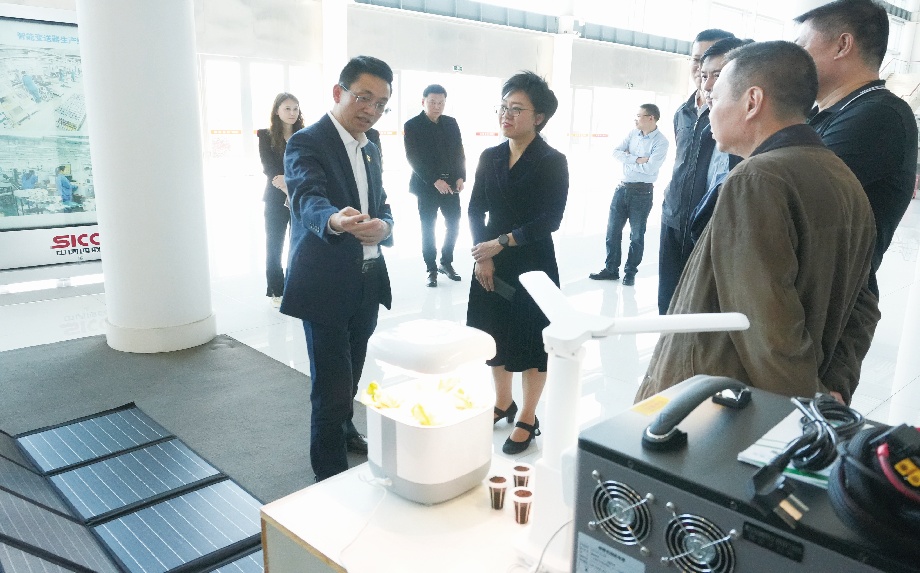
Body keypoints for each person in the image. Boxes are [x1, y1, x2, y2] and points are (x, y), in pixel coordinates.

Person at [635, 41, 880, 406]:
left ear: (752, 101)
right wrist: (834, 386)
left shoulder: (757, 178)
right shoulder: (843, 177)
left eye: (716, 98)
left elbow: (764, 320)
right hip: (788, 395)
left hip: (720, 402)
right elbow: (864, 304)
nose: (709, 109)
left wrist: (808, 403)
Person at [280, 56, 395, 482]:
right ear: (338, 92)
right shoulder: (307, 142)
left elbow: (382, 204)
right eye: (363, 97)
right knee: (330, 388)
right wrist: (335, 220)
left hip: (367, 280)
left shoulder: (372, 145)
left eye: (381, 104)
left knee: (352, 373)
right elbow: (307, 197)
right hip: (325, 284)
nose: (371, 109)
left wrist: (385, 227)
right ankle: (328, 478)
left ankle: (345, 430)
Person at [467, 71, 568, 455]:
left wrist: (502, 243)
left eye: (516, 109)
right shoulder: (490, 156)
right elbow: (475, 209)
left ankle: (527, 416)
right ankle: (503, 402)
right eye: (503, 107)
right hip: (489, 260)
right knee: (493, 336)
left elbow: (550, 219)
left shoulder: (551, 160)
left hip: (532, 263)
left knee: (531, 344)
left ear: (538, 117)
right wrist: (483, 254)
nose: (505, 115)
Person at [795, 0, 918, 298]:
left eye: (802, 47)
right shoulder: (827, 114)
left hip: (824, 304)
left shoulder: (879, 115)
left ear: (842, 45)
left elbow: (790, 197)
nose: (794, 61)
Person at [657, 28, 735, 314]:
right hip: (674, 218)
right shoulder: (683, 111)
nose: (701, 67)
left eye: (712, 63)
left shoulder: (731, 115)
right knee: (668, 302)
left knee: (698, 308)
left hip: (708, 227)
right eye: (696, 59)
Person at [669, 38, 752, 275]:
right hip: (679, 219)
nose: (707, 85)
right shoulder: (686, 115)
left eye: (718, 74)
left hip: (723, 234)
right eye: (704, 73)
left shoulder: (752, 138)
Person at [589, 104, 668, 286]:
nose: (636, 119)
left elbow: (651, 168)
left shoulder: (661, 142)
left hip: (642, 192)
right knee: (612, 232)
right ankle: (611, 270)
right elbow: (615, 152)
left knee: (637, 236)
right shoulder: (633, 134)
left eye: (639, 116)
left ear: (651, 118)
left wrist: (629, 160)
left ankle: (630, 273)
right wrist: (637, 159)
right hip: (621, 189)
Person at [404, 84, 467, 287]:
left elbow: (459, 152)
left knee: (454, 224)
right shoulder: (412, 125)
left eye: (441, 102)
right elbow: (413, 157)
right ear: (423, 101)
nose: (437, 106)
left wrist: (461, 176)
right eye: (432, 102)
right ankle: (431, 268)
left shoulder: (451, 123)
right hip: (426, 186)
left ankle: (446, 262)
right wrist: (434, 180)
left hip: (451, 185)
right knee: (428, 227)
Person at [257, 92, 304, 306]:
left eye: (295, 108)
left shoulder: (305, 135)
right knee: (274, 243)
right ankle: (276, 289)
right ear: (277, 111)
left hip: (300, 196)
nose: (292, 113)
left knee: (298, 244)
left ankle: (296, 286)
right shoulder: (266, 136)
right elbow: (269, 168)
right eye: (287, 108)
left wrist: (290, 183)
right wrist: (285, 186)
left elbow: (308, 166)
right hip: (275, 198)